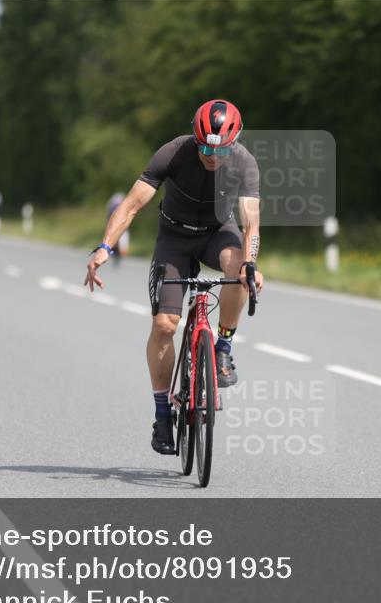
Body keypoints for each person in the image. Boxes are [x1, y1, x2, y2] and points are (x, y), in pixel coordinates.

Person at [84, 99, 263, 455]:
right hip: (174, 238)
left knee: (239, 270)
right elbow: (131, 205)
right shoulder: (173, 152)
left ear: (234, 142)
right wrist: (105, 246)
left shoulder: (244, 162)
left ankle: (223, 348)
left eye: (220, 149)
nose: (212, 156)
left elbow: (250, 223)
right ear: (195, 138)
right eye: (206, 148)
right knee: (165, 325)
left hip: (218, 234)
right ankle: (163, 415)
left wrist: (250, 264)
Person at [106, 192, 130, 266]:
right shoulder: (112, 206)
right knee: (115, 240)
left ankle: (116, 251)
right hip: (117, 226)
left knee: (122, 247)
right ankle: (114, 250)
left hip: (121, 226)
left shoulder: (112, 205)